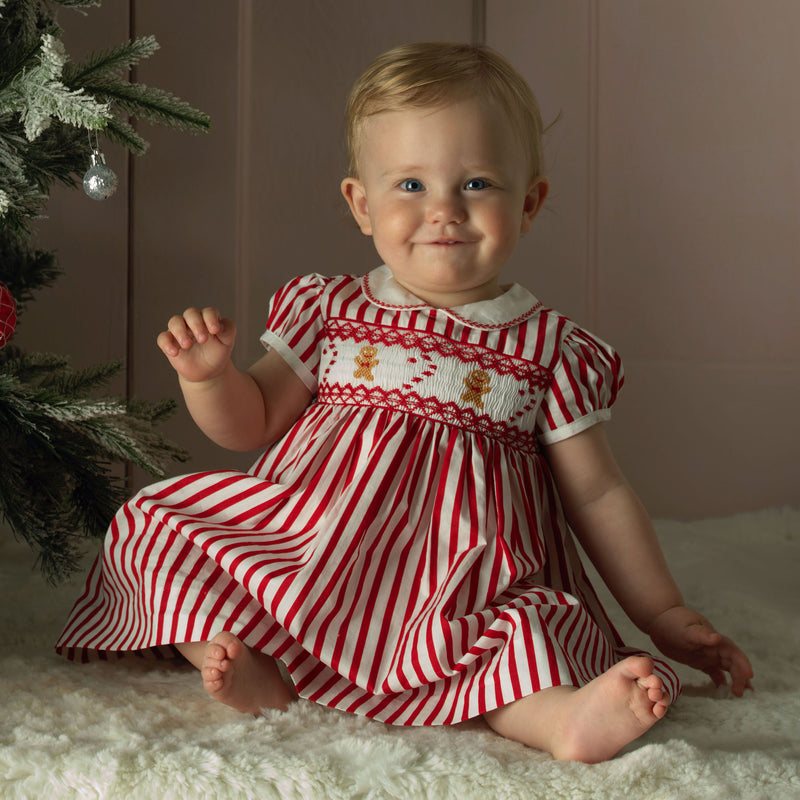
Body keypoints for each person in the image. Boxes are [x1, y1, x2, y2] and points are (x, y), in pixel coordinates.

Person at [57, 42, 753, 763]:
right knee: (155, 524)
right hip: (316, 556)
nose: (444, 210)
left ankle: (558, 720)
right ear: (362, 204)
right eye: (411, 186)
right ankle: (247, 655)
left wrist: (661, 612)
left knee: (533, 630)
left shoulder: (548, 348)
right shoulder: (330, 309)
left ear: (531, 201)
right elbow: (252, 422)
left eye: (477, 182)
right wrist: (209, 379)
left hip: (463, 585)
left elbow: (600, 495)